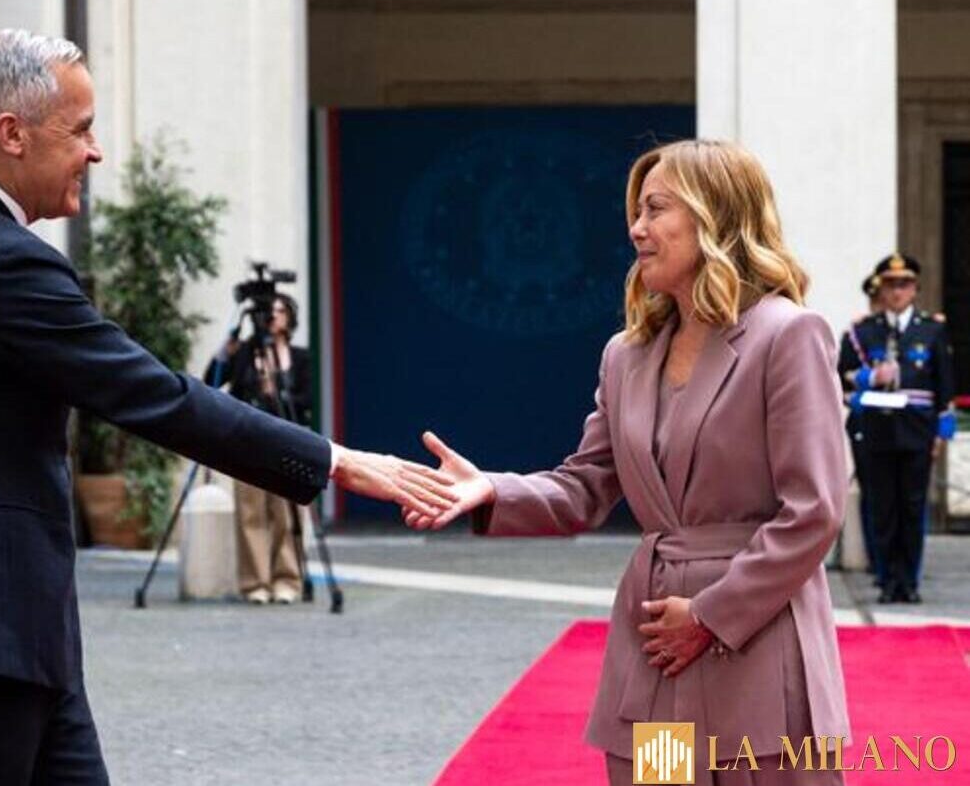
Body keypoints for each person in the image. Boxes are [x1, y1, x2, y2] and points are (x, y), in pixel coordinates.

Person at [0, 29, 455, 785]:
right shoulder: (5, 262)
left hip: (9, 640)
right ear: (12, 134)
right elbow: (157, 396)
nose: (95, 151)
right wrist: (337, 459)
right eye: (82, 128)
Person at [405, 140, 849, 785]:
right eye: (637, 211)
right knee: (657, 780)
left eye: (656, 208)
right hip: (656, 644)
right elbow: (584, 486)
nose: (635, 228)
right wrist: (490, 492)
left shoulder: (788, 335)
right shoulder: (627, 353)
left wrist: (710, 616)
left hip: (755, 645)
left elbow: (814, 512)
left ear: (715, 217)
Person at [838, 254, 956, 604]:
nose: (897, 291)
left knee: (912, 507)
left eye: (904, 284)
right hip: (878, 432)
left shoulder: (931, 329)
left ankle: (910, 581)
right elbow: (842, 374)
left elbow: (945, 387)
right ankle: (888, 580)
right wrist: (871, 378)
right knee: (883, 508)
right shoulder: (864, 330)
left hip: (917, 433)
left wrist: (941, 436)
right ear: (882, 289)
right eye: (891, 284)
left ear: (915, 289)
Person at [207, 294, 313, 604]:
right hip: (248, 442)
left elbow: (308, 400)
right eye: (269, 311)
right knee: (251, 513)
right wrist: (224, 352)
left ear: (290, 318)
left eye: (280, 311)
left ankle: (287, 580)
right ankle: (255, 583)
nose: (273, 317)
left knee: (287, 513)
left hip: (290, 440)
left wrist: (276, 389)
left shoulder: (302, 357)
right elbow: (211, 381)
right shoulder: (244, 353)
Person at [838, 275, 885, 584]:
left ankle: (900, 564)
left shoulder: (912, 331)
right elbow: (843, 377)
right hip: (867, 423)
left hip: (902, 426)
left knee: (907, 500)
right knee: (873, 493)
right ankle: (876, 557)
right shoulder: (859, 333)